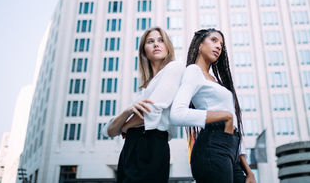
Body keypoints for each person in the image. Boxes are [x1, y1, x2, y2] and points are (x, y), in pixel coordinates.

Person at [170, 28, 256, 183]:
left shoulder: (215, 81)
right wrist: (224, 116)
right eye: (214, 40)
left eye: (221, 45)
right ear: (200, 45)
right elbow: (177, 114)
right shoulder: (193, 71)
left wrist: (248, 171)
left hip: (231, 151)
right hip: (212, 147)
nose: (219, 47)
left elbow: (234, 123)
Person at [102, 27, 184, 183]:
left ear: (168, 46)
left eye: (161, 40)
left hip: (152, 145)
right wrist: (127, 112)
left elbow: (152, 111)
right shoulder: (142, 92)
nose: (156, 44)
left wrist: (125, 126)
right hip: (129, 149)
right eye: (150, 41)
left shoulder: (174, 68)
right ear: (144, 51)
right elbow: (108, 131)